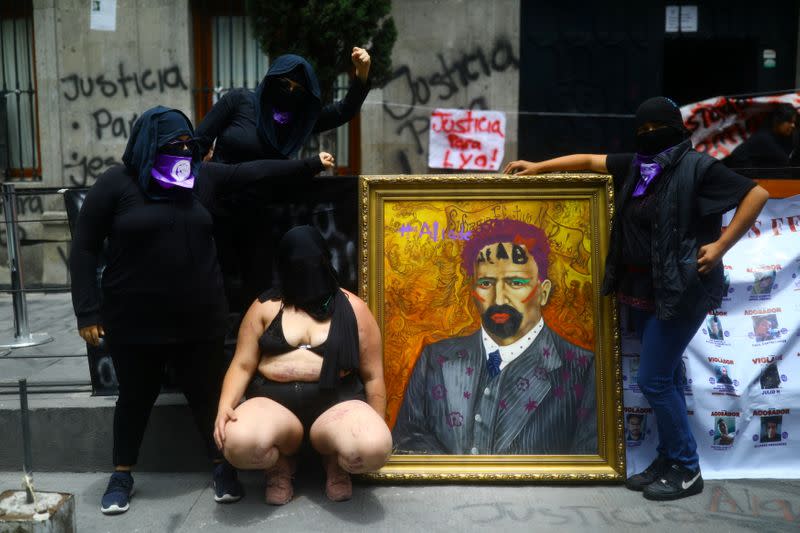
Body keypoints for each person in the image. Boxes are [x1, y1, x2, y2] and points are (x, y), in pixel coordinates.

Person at [70, 106, 334, 515]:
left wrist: (308, 164)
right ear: (146, 144)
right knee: (135, 399)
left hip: (199, 319)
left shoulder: (199, 178)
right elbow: (84, 247)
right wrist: (86, 312)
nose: (181, 151)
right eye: (171, 145)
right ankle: (122, 473)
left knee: (208, 396)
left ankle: (221, 468)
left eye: (186, 144)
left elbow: (254, 173)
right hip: (134, 321)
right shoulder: (116, 184)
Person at [505, 96, 769, 500]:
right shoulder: (639, 166)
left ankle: (686, 468)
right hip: (646, 290)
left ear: (677, 129)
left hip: (682, 290)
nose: (649, 136)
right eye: (642, 129)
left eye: (656, 129)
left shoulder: (699, 168)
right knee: (667, 377)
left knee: (654, 379)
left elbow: (757, 195)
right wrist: (538, 166)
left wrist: (719, 247)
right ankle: (667, 457)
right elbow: (592, 161)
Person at [195, 50, 373, 343]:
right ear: (272, 79)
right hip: (216, 208)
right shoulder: (239, 102)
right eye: (285, 84)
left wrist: (362, 74)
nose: (289, 92)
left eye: (297, 90)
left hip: (258, 215)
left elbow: (343, 111)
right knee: (214, 285)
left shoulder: (297, 121)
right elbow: (199, 140)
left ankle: (250, 356)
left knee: (256, 290)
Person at [213, 226, 392, 505]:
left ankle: (336, 462)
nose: (305, 272)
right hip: (274, 407)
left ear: (325, 261)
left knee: (375, 447)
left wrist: (375, 422)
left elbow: (372, 375)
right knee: (237, 443)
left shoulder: (354, 308)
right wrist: (225, 405)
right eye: (296, 266)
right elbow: (242, 365)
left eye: (311, 264)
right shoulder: (264, 307)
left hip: (337, 406)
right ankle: (280, 465)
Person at [392, 218, 597, 455]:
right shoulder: (435, 359)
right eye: (486, 283)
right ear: (473, 290)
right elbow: (408, 440)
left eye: (516, 282)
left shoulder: (581, 368)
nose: (499, 299)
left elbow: (587, 460)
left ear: (544, 292)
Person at [725, 103, 797, 168]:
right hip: (738, 170)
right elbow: (785, 163)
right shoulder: (764, 138)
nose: (793, 125)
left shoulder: (775, 135)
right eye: (789, 121)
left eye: (794, 122)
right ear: (777, 121)